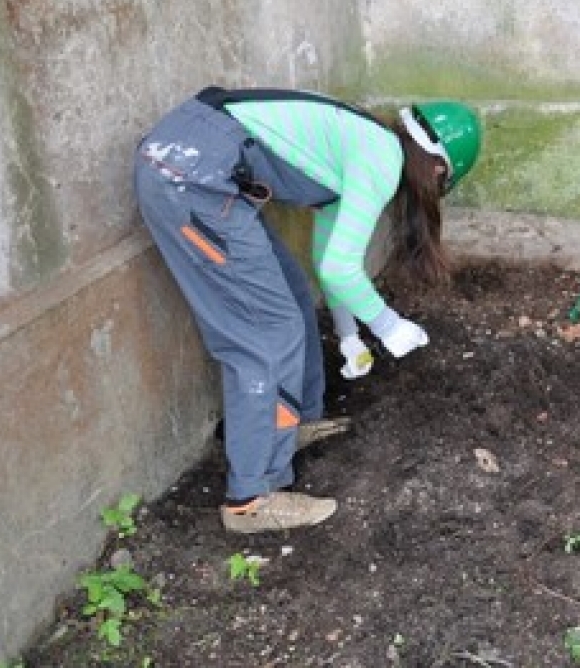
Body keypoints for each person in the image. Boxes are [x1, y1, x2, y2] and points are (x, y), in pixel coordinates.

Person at [133, 86, 482, 531]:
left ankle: (290, 424)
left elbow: (328, 262)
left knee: (293, 294)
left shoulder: (366, 145)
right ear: (436, 168)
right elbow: (340, 269)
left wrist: (350, 334)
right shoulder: (381, 162)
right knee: (266, 333)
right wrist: (387, 325)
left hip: (199, 162)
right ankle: (252, 498)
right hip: (188, 176)